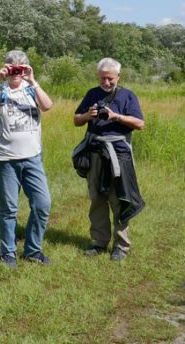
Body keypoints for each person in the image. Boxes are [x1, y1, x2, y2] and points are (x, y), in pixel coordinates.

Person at [0, 50, 54, 268]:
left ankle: (33, 250)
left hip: (33, 157)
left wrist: (32, 80)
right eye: (12, 67)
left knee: (42, 204)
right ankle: (8, 253)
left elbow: (47, 105)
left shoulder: (31, 90)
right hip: (5, 159)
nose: (16, 71)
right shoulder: (1, 90)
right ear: (6, 68)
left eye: (21, 67)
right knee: (9, 209)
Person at [73, 57, 145, 262]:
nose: (106, 82)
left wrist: (116, 117)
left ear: (118, 77)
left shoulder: (128, 96)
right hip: (95, 152)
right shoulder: (92, 94)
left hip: (119, 155)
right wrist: (88, 115)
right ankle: (99, 242)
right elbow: (76, 120)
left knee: (120, 199)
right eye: (103, 78)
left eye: (110, 78)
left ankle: (121, 246)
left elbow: (140, 124)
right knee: (97, 199)